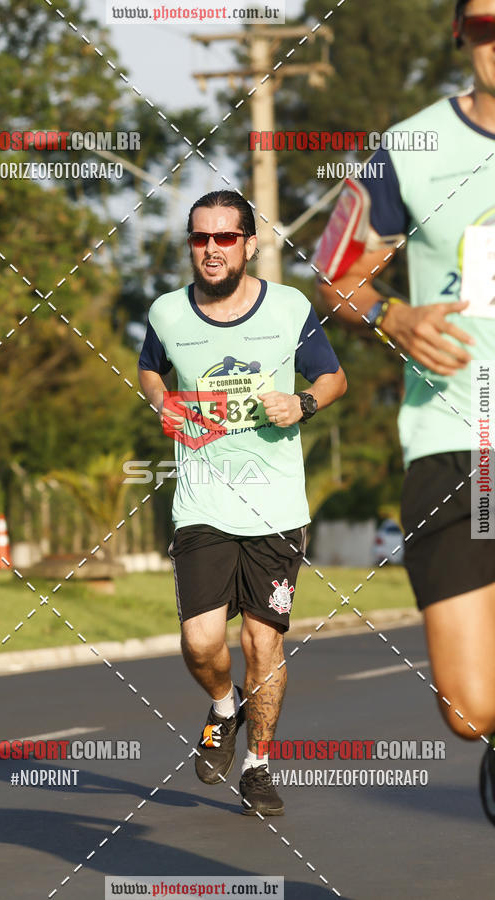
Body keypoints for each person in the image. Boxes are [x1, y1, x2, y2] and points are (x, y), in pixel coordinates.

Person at [314, 0, 495, 824]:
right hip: (458, 438)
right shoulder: (410, 148)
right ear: (461, 34)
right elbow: (335, 275)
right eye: (486, 24)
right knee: (470, 710)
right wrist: (394, 315)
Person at [138, 190, 346, 815]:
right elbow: (150, 370)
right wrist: (162, 402)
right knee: (202, 640)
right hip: (201, 502)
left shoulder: (288, 308)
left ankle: (257, 764)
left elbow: (333, 377)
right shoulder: (167, 313)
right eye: (200, 238)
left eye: (225, 237)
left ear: (249, 244)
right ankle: (222, 705)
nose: (212, 249)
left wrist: (302, 403)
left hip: (275, 507)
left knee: (263, 645)